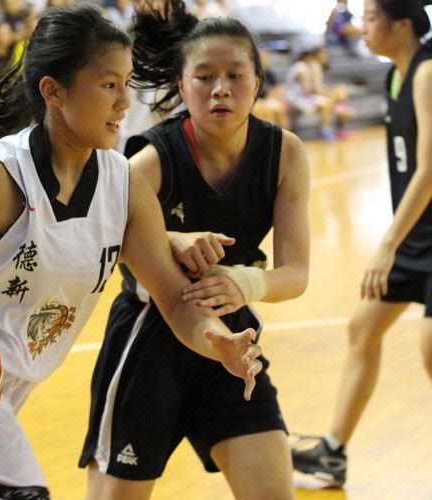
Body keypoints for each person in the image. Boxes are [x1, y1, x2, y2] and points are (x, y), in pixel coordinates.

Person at [0, 4, 265, 499]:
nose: (123, 103)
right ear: (54, 90)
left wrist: (215, 339)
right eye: (108, 85)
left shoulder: (124, 187)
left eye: (127, 85)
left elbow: (175, 301)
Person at [79, 2, 311, 499]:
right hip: (150, 342)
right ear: (182, 87)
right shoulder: (157, 156)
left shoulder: (284, 152)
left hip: (231, 338)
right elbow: (91, 230)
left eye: (235, 74)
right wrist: (166, 238)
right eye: (204, 76)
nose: (220, 88)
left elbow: (297, 273)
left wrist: (243, 282)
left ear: (258, 80)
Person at [291, 0, 432, 488]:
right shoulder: (396, 74)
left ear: (402, 24)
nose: (360, 26)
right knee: (362, 330)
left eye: (370, 17)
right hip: (418, 239)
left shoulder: (427, 72)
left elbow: (430, 170)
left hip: (418, 239)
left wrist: (387, 243)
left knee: (430, 349)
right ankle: (332, 453)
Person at [284, 44, 354, 140]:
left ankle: (339, 110)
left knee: (340, 90)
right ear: (310, 56)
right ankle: (324, 131)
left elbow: (315, 89)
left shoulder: (312, 67)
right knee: (327, 104)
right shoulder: (301, 68)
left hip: (305, 97)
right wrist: (329, 95)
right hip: (297, 98)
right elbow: (307, 91)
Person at [252, 48, 291, 130]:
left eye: (266, 58)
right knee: (267, 112)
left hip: (267, 99)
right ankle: (269, 139)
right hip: (255, 101)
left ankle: (285, 136)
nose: (265, 61)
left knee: (278, 109)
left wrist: (271, 99)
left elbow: (275, 89)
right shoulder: (251, 74)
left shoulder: (269, 73)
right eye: (262, 59)